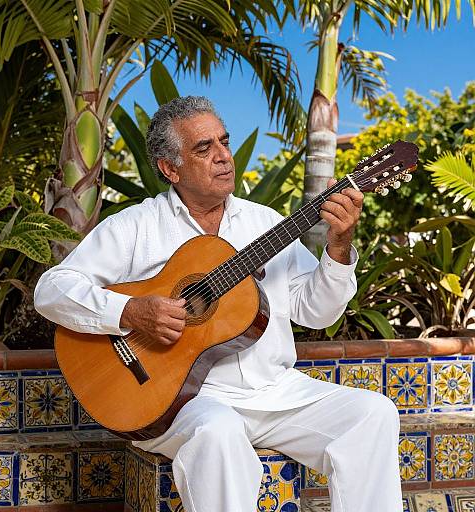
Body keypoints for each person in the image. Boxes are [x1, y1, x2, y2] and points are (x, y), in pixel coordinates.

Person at [34, 96, 402, 512]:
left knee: (373, 414)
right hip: (182, 401)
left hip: (273, 392)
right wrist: (130, 312)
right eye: (204, 149)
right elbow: (51, 289)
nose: (224, 157)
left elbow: (317, 312)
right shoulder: (136, 226)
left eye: (224, 143)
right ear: (170, 168)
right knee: (218, 429)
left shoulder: (265, 223)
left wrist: (338, 246)